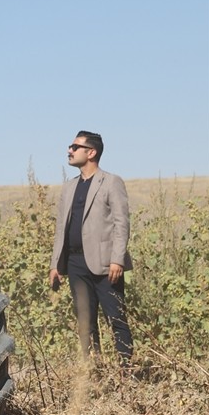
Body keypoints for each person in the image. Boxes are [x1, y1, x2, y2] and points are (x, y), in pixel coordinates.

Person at [49, 130, 134, 364]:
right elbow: (61, 229)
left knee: (116, 319)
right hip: (75, 263)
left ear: (91, 152)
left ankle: (126, 372)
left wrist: (117, 259)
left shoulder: (111, 182)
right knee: (85, 322)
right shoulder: (69, 187)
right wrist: (55, 264)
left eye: (75, 147)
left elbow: (121, 223)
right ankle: (94, 372)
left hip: (106, 263)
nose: (69, 150)